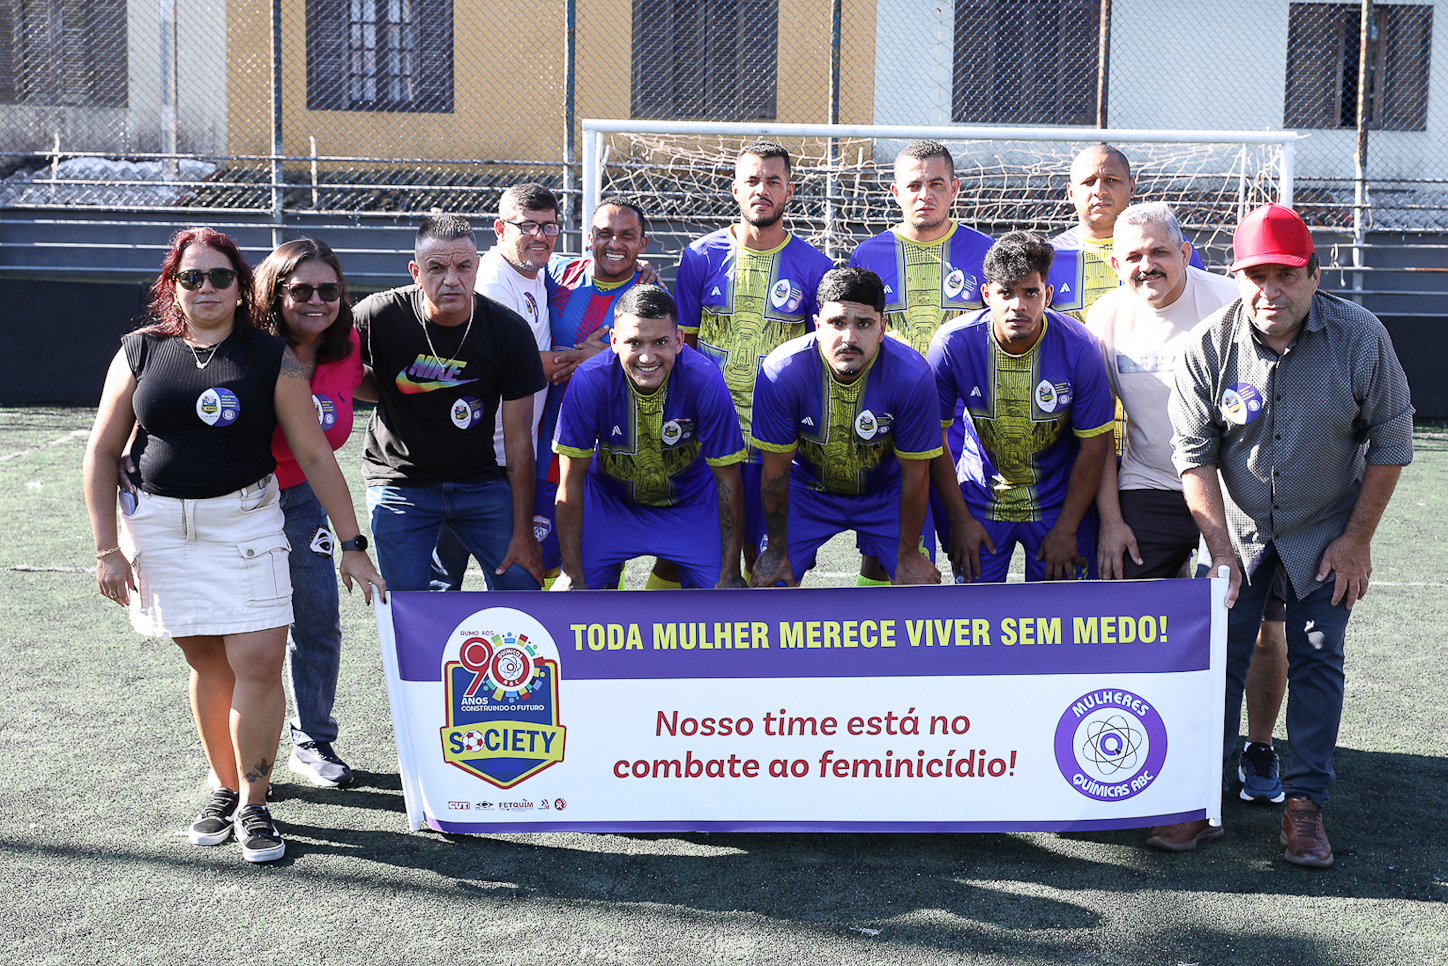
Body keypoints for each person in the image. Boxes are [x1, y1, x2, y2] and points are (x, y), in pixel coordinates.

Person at [83, 227, 385, 863]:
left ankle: (255, 803)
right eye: (191, 277)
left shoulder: (270, 355)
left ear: (241, 285)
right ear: (173, 285)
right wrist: (107, 548)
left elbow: (314, 455)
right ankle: (223, 788)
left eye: (220, 276)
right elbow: (104, 450)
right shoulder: (139, 351)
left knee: (258, 659)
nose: (207, 288)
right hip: (162, 529)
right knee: (208, 664)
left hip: (248, 523)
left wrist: (352, 542)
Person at [1165, 203, 1413, 867]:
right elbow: (1193, 454)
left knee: (1317, 655)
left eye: (1284, 276)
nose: (1268, 291)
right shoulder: (1208, 345)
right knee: (1215, 659)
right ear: (1237, 277)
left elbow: (1391, 442)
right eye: (1255, 276)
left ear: (1313, 274)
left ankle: (1304, 807)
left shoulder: (1362, 338)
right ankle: (1198, 799)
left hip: (1326, 525)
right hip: (1237, 528)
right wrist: (1219, 551)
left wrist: (1355, 541)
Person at [1087, 203, 1291, 816]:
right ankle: (1145, 738)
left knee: (1259, 632)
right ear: (1115, 262)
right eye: (1133, 257)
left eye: (1159, 252)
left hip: (1239, 488)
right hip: (1150, 480)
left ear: (1184, 252)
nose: (1147, 265)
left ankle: (1257, 747)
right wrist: (1111, 518)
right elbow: (1098, 431)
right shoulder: (1105, 317)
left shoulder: (1230, 304)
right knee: (1129, 619)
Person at [356, 213, 546, 592]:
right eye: (436, 268)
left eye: (463, 267)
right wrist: (385, 389)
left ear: (477, 266)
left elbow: (519, 438)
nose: (451, 279)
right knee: (405, 602)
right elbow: (329, 362)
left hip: (478, 480)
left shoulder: (508, 331)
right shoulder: (378, 315)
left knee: (523, 583)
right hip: (400, 482)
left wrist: (523, 531)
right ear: (415, 271)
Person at [676, 140, 832, 576]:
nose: (761, 189)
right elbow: (682, 349)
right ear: (734, 189)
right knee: (705, 565)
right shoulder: (698, 257)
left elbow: (817, 359)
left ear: (789, 191)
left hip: (777, 439)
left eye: (773, 181)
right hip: (711, 433)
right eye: (752, 180)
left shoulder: (815, 266)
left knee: (768, 567)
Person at [847, 139, 995, 585]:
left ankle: (959, 642)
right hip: (888, 423)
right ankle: (872, 643)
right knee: (886, 550)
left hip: (967, 431)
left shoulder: (985, 251)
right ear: (895, 192)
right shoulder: (867, 257)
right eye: (914, 185)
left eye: (935, 184)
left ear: (955, 190)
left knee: (969, 547)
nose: (924, 194)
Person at [928, 231, 1114, 582]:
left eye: (1030, 292)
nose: (1018, 305)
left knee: (1059, 627)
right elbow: (932, 441)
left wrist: (1066, 527)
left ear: (1047, 294)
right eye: (1005, 293)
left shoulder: (1081, 348)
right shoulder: (951, 344)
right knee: (975, 625)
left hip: (1057, 505)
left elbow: (1094, 447)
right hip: (980, 501)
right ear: (986, 295)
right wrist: (960, 520)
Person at [252, 238, 369, 788]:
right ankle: (240, 749)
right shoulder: (245, 346)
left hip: (301, 500)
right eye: (301, 290)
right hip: (238, 503)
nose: (317, 300)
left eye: (329, 289)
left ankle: (312, 738)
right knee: (248, 630)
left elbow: (326, 443)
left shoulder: (346, 346)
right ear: (275, 293)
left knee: (319, 617)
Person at [749, 267, 942, 587]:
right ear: (817, 325)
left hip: (887, 492)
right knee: (772, 583)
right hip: (807, 490)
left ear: (883, 328)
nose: (849, 337)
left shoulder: (912, 376)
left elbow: (916, 474)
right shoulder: (781, 371)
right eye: (837, 323)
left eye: (864, 324)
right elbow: (775, 472)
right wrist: (777, 548)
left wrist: (908, 554)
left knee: (917, 587)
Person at [551, 285, 747, 590]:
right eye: (634, 343)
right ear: (614, 341)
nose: (647, 356)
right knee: (575, 601)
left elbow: (728, 480)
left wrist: (732, 572)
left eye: (660, 342)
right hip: (609, 504)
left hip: (689, 506)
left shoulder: (705, 381)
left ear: (679, 340)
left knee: (725, 605)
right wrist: (570, 573)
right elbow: (570, 482)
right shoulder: (589, 381)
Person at [430, 184, 566, 590]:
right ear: (500, 229)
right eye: (528, 225)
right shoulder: (491, 279)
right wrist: (587, 355)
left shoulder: (537, 271)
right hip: (473, 459)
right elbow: (520, 365)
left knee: (512, 572)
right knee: (445, 578)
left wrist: (643, 269)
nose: (540, 236)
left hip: (511, 456)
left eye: (549, 226)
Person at [536, 196, 652, 581]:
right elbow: (503, 260)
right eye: (604, 234)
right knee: (542, 559)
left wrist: (600, 360)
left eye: (627, 236)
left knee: (600, 564)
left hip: (613, 450)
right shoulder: (555, 272)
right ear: (589, 237)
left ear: (642, 244)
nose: (614, 243)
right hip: (549, 440)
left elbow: (662, 368)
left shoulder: (651, 299)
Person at [1048, 143, 1203, 321]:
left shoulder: (1169, 244)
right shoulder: (1048, 256)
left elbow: (1200, 301)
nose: (1100, 190)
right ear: (1071, 192)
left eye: (1111, 180)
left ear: (1132, 187)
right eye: (1089, 182)